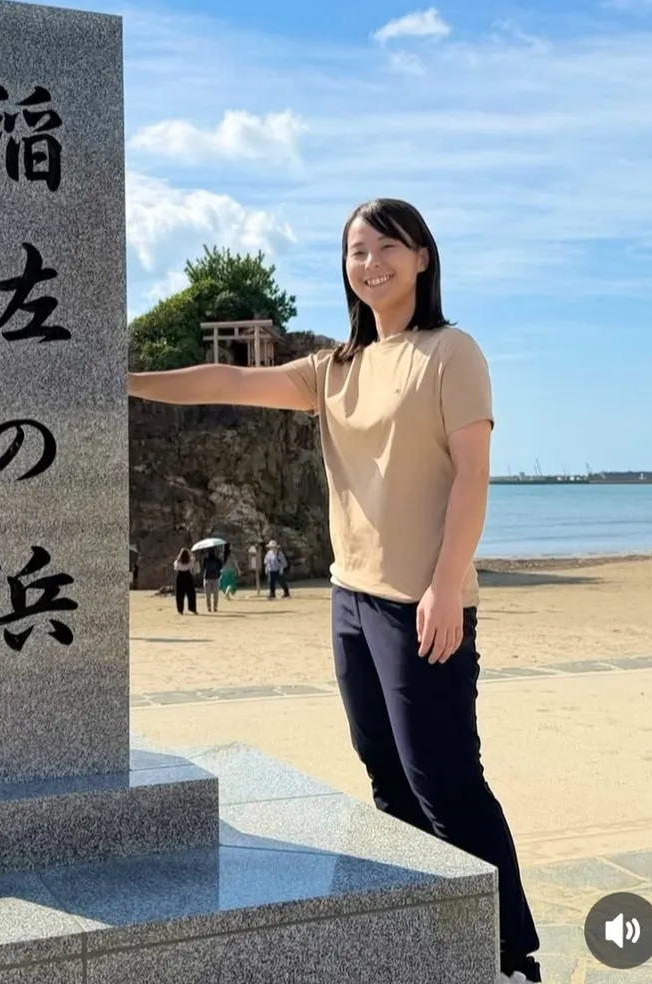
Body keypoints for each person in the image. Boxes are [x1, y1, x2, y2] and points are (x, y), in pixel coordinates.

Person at [127, 198, 541, 984]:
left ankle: (507, 956)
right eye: (356, 250)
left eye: (387, 246)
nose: (370, 263)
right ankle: (426, 933)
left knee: (445, 783)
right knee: (385, 779)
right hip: (350, 600)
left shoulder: (451, 352)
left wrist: (444, 585)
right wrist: (123, 381)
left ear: (421, 256)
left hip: (422, 602)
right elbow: (229, 379)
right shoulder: (333, 369)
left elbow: (472, 477)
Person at [172, 547, 198, 614]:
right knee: (191, 594)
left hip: (180, 577)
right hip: (188, 577)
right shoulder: (190, 561)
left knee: (179, 594)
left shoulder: (178, 562)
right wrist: (189, 551)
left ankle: (180, 610)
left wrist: (180, 553)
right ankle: (192, 609)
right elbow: (194, 557)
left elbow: (175, 568)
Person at [200, 546, 223, 611]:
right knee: (216, 594)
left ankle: (209, 607)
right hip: (215, 577)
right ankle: (215, 607)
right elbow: (220, 567)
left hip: (207, 577)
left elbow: (203, 567)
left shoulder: (205, 559)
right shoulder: (217, 559)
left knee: (208, 594)